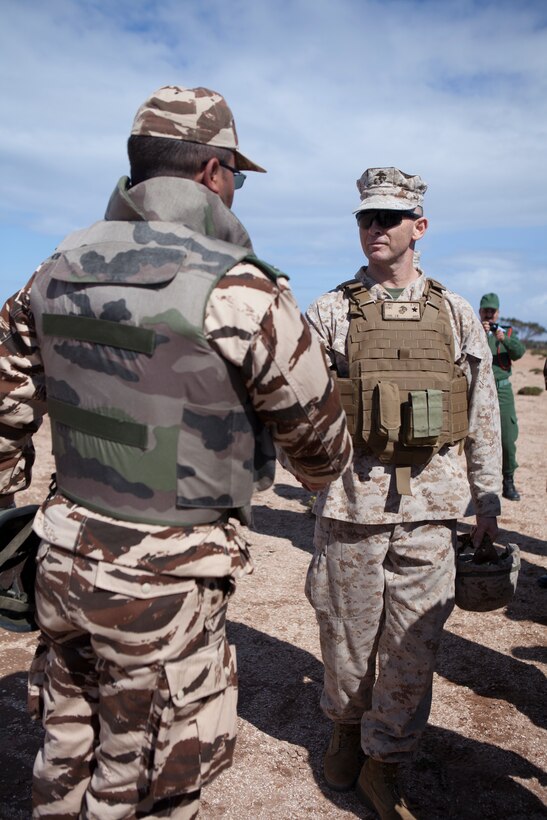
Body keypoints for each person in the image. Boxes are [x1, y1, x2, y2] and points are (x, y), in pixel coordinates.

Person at [0, 85, 352, 819]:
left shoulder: (52, 269)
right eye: (237, 177)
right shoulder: (239, 289)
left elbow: (4, 413)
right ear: (213, 173)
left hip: (62, 557)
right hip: (166, 579)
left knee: (66, 751)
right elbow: (321, 450)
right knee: (157, 772)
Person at [304, 167, 502, 819]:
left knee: (410, 649)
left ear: (419, 225)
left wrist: (486, 496)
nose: (375, 228)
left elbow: (479, 411)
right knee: (346, 641)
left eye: (389, 217)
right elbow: (297, 405)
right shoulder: (330, 310)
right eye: (365, 217)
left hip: (428, 512)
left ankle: (384, 762)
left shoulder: (453, 311)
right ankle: (343, 729)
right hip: (350, 511)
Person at [478, 293, 526, 501]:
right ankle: (480, 486)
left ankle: (508, 480)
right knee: (476, 439)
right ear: (480, 312)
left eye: (492, 311)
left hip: (502, 390)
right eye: (485, 310)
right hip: (479, 390)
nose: (489, 314)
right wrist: (480, 334)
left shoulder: (507, 332)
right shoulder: (474, 329)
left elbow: (519, 352)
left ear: (498, 313)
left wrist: (503, 339)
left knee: (507, 437)